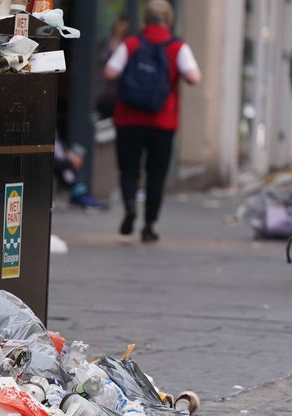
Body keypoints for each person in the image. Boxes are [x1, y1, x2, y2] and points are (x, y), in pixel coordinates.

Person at [104, 0, 201, 242]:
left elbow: (110, 72)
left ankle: (129, 205)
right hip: (163, 121)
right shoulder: (178, 47)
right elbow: (194, 78)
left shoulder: (132, 43)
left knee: (129, 169)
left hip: (129, 119)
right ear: (169, 20)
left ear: (145, 20)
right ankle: (149, 227)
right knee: (156, 175)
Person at [54, 138, 107, 210]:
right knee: (69, 169)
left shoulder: (58, 142)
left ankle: (80, 193)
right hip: (59, 168)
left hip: (65, 162)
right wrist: (71, 163)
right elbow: (55, 163)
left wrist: (74, 157)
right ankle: (79, 195)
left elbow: (66, 150)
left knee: (76, 161)